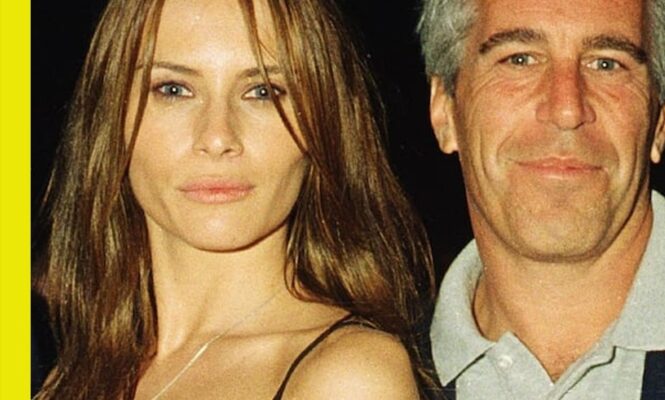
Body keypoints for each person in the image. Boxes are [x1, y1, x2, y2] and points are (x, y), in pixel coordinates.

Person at [33, 0, 436, 398]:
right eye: (174, 90)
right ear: (111, 117)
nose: (217, 137)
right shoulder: (74, 377)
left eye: (263, 92)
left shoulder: (349, 379)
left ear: (322, 124)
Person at [417, 0, 665, 398]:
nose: (567, 110)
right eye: (519, 59)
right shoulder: (370, 374)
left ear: (660, 124)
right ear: (445, 111)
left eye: (606, 64)